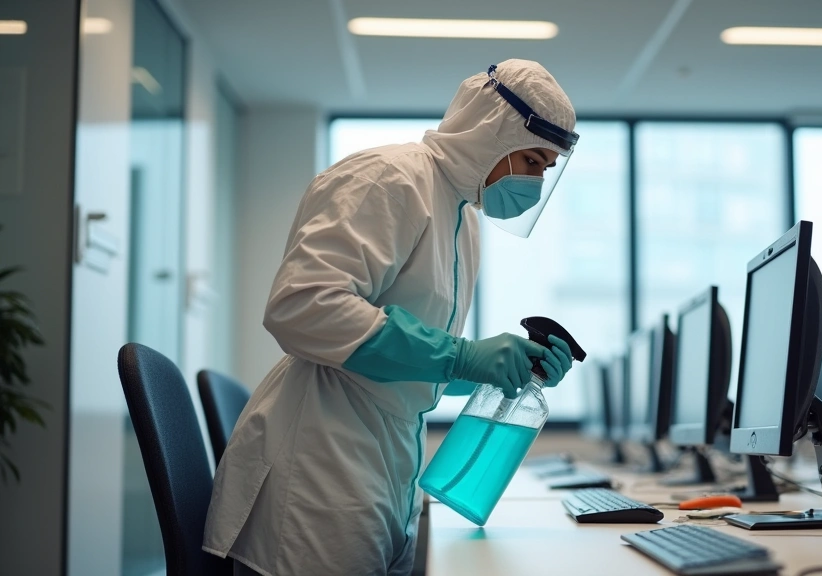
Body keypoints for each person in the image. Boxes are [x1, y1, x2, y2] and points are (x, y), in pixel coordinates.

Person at [203, 59, 580, 576]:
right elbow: (302, 305)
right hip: (320, 464)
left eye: (546, 168)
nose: (537, 180)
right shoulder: (388, 177)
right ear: (492, 133)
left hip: (384, 463)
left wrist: (498, 371)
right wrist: (463, 355)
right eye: (533, 159)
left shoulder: (462, 220)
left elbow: (412, 360)